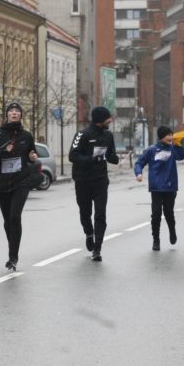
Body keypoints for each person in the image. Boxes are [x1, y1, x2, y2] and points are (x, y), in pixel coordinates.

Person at [0, 102, 39, 271]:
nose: (14, 113)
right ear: (7, 115)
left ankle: (13, 257)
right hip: (2, 183)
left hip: (21, 181)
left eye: (17, 111)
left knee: (15, 217)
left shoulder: (26, 136)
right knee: (8, 221)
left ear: (21, 115)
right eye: (11, 111)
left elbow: (31, 154)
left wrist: (33, 157)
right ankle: (12, 248)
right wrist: (3, 151)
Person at [68, 106, 119, 261]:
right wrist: (91, 159)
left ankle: (97, 248)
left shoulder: (108, 136)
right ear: (100, 120)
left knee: (100, 214)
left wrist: (114, 158)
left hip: (100, 180)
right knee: (85, 213)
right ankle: (89, 233)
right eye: (108, 118)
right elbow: (72, 155)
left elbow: (110, 154)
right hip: (82, 180)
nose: (110, 120)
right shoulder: (82, 135)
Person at [134, 125, 184, 251]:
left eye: (171, 135)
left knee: (169, 213)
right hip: (156, 188)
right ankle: (156, 240)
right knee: (156, 214)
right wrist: (138, 173)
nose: (170, 137)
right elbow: (139, 163)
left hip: (170, 187)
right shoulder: (152, 150)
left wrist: (179, 144)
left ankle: (172, 230)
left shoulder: (173, 149)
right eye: (168, 135)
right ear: (161, 136)